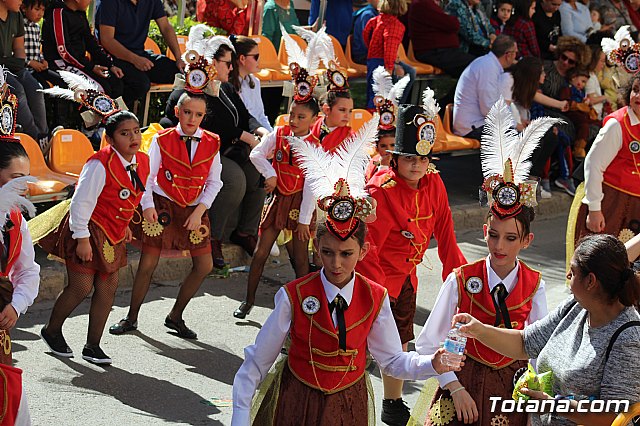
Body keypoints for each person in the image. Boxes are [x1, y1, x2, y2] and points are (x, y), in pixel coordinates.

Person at [231, 113, 463, 426]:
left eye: (347, 254)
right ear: (316, 247)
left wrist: (433, 364)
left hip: (348, 405)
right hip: (297, 404)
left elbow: (394, 361)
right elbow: (256, 363)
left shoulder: (373, 298)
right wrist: (239, 418)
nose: (336, 264)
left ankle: (391, 403)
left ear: (361, 252)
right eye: (327, 253)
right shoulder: (294, 296)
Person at [412, 98, 555, 426]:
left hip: (510, 394)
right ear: (484, 231)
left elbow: (539, 353)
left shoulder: (534, 286)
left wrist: (533, 400)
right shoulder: (461, 280)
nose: (499, 246)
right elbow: (431, 343)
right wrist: (455, 387)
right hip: (463, 386)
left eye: (510, 238)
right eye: (493, 235)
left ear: (526, 241)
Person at [356, 91, 467, 426]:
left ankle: (391, 402)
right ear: (395, 159)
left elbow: (446, 231)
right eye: (408, 158)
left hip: (405, 278)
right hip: (373, 280)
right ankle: (346, 399)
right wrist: (379, 296)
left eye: (422, 158)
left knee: (401, 342)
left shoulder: (434, 183)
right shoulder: (382, 192)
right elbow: (368, 250)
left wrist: (460, 278)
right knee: (358, 346)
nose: (416, 165)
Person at [453, 233, 640, 426]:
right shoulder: (574, 307)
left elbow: (615, 413)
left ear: (591, 281)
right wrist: (479, 330)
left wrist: (553, 406)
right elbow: (524, 343)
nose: (568, 275)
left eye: (573, 271)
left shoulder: (628, 337)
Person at [109, 30, 224, 338]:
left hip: (194, 209)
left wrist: (200, 211)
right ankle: (131, 317)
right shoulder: (161, 139)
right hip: (162, 205)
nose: (192, 118)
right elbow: (146, 177)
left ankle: (175, 315)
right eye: (187, 112)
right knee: (148, 263)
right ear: (177, 112)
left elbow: (215, 182)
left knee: (205, 265)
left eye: (198, 114)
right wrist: (146, 207)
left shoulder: (212, 142)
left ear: (204, 116)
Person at [37, 88, 148, 364]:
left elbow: (135, 195)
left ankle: (93, 345)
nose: (133, 137)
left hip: (113, 232)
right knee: (81, 286)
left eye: (136, 131)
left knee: (108, 287)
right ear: (109, 139)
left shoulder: (143, 161)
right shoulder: (98, 164)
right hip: (88, 228)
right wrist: (82, 238)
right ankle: (51, 330)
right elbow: (81, 203)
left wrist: (127, 223)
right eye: (125, 133)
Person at [233, 28, 325, 318]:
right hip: (277, 201)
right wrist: (270, 173)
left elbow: (311, 184)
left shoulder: (314, 145)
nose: (295, 120)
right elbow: (256, 153)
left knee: (299, 260)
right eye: (292, 114)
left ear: (314, 119)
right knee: (260, 253)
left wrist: (306, 219)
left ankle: (302, 309)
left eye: (302, 117)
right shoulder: (280, 133)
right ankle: (247, 301)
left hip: (299, 204)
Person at [161, 34, 269, 269]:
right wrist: (245, 137)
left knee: (257, 171)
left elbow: (244, 116)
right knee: (234, 179)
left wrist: (260, 132)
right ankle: (212, 237)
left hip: (228, 150)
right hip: (200, 154)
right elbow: (211, 124)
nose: (232, 68)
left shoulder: (226, 88)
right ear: (211, 63)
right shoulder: (192, 89)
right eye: (227, 63)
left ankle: (245, 232)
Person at [0, 71, 40, 424]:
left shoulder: (16, 222)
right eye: (16, 179)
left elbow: (28, 271)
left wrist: (17, 304)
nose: (24, 187)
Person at [567, 73, 640, 261]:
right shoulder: (618, 124)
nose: (638, 96)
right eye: (635, 90)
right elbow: (593, 164)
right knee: (598, 262)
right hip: (610, 203)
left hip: (635, 207)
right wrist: (594, 209)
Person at [95, 0, 186, 107]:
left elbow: (165, 27)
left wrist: (179, 58)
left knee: (180, 75)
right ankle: (111, 112)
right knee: (140, 84)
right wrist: (135, 60)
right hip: (111, 58)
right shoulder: (109, 2)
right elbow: (107, 40)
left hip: (140, 55)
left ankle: (172, 118)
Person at [500, 56, 562, 198]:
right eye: (541, 72)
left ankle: (531, 181)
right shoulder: (508, 79)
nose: (544, 75)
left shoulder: (524, 86)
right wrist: (518, 125)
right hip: (504, 127)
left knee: (551, 136)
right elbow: (503, 109)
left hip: (516, 125)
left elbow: (520, 111)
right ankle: (521, 183)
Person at [42, 0, 124, 98]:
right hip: (60, 63)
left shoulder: (80, 13)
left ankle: (115, 112)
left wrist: (110, 65)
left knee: (115, 84)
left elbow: (90, 42)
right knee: (100, 89)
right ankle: (85, 113)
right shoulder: (57, 13)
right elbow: (63, 50)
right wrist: (91, 67)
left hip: (79, 62)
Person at [0, 0, 49, 152]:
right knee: (18, 90)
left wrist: (21, 67)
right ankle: (32, 139)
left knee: (36, 88)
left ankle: (43, 138)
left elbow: (19, 47)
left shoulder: (16, 16)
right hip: (1, 69)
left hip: (12, 65)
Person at [453, 35, 518, 139]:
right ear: (508, 55)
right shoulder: (488, 67)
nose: (516, 56)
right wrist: (515, 124)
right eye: (515, 53)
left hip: (478, 123)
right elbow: (488, 108)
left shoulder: (488, 64)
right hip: (471, 126)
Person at [363, 0, 414, 108]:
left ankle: (369, 114)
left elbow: (366, 34)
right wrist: (389, 69)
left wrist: (372, 50)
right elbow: (389, 48)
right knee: (382, 93)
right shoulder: (396, 26)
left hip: (372, 59)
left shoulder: (375, 20)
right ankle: (396, 109)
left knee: (372, 91)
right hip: (384, 62)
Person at [408, 0, 475, 78]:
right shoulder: (422, 3)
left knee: (479, 65)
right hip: (435, 53)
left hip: (442, 52)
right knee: (477, 66)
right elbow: (453, 24)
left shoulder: (428, 4)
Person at [365, 66, 408, 181]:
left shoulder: (405, 164)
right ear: (377, 147)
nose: (388, 150)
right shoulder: (373, 164)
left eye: (393, 145)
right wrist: (383, 166)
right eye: (383, 146)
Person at [229, 35, 273, 132]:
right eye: (256, 57)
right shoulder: (229, 87)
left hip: (260, 135)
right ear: (242, 59)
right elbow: (241, 122)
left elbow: (261, 116)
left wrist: (271, 135)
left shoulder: (255, 82)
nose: (259, 60)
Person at [21, 0, 64, 89]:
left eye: (43, 10)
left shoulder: (36, 27)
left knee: (62, 80)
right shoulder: (20, 26)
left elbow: (36, 49)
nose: (40, 14)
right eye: (37, 9)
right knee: (43, 87)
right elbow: (14, 52)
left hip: (38, 68)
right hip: (25, 69)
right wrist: (30, 63)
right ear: (24, 8)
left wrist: (42, 60)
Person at [559, 67, 600, 160]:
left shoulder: (581, 93)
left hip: (582, 113)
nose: (582, 85)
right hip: (572, 113)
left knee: (598, 123)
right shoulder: (567, 89)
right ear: (573, 78)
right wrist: (577, 105)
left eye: (584, 83)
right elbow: (566, 102)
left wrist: (586, 104)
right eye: (582, 81)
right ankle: (578, 149)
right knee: (584, 125)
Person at [351, 0, 378, 64]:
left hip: (371, 55)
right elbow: (367, 42)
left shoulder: (375, 13)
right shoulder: (368, 15)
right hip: (363, 56)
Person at [586, 45, 609, 120]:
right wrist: (605, 97)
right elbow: (591, 100)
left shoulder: (593, 75)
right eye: (602, 61)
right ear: (594, 60)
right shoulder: (589, 78)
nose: (604, 64)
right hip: (591, 117)